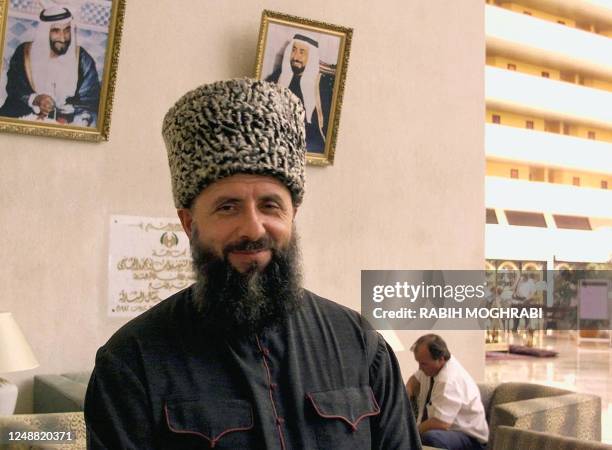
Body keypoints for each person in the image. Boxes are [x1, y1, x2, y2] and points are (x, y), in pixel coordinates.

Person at [84, 78, 419, 449]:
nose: (253, 227)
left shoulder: (362, 345)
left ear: (293, 214)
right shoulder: (133, 362)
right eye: (227, 207)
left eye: (270, 205)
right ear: (189, 224)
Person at [0, 5, 100, 126]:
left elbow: (90, 99)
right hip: (24, 115)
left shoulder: (83, 59)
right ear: (45, 32)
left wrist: (67, 118)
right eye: (56, 31)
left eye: (67, 30)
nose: (63, 38)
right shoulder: (24, 53)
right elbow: (14, 88)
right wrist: (36, 99)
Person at [406, 334, 488, 450]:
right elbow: (414, 380)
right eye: (418, 362)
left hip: (471, 440)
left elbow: (440, 423)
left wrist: (411, 432)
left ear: (441, 359)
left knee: (430, 438)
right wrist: (406, 395)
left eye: (423, 364)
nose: (419, 368)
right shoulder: (430, 368)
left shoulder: (450, 380)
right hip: (449, 432)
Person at [266, 34, 334, 153]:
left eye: (302, 52)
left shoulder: (323, 84)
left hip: (311, 142)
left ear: (311, 57)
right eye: (293, 50)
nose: (295, 57)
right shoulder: (279, 77)